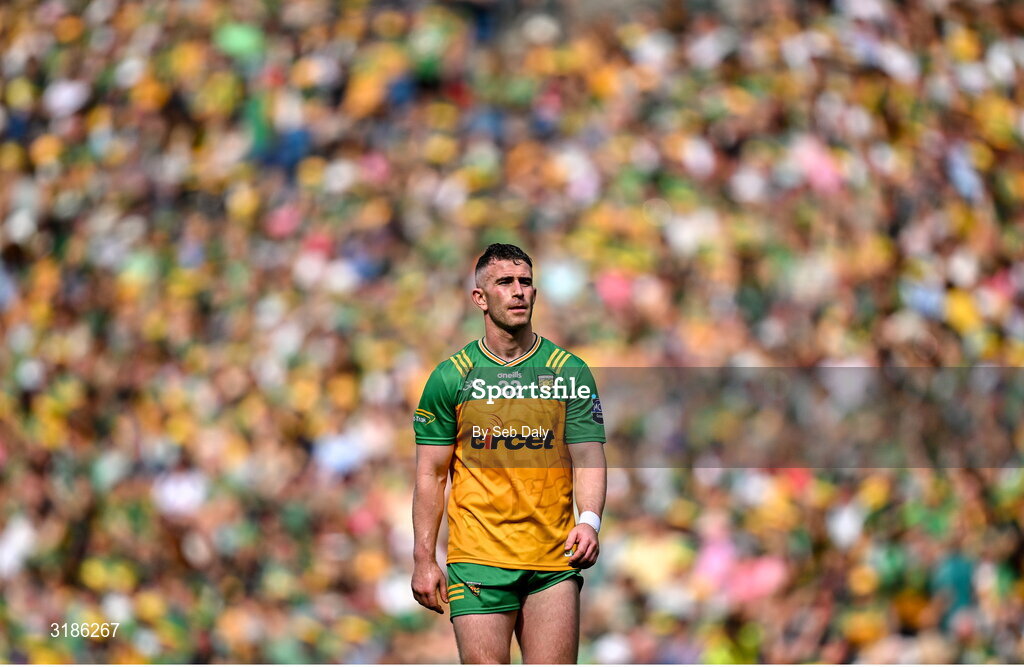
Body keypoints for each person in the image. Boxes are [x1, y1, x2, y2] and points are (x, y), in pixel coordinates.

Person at [411, 243, 607, 664]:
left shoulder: (568, 371)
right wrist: (423, 558)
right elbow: (431, 474)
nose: (518, 291)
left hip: (552, 556)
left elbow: (589, 458)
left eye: (525, 282)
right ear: (480, 297)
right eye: (505, 282)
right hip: (478, 557)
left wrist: (589, 521)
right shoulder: (451, 377)